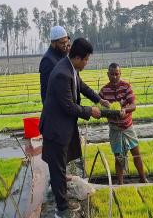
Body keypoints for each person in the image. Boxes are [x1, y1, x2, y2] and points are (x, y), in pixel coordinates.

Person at [39, 38, 110, 218]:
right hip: (55, 129)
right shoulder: (63, 73)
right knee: (57, 170)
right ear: (77, 57)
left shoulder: (70, 67)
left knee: (60, 167)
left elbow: (81, 86)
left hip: (61, 126)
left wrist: (98, 99)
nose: (87, 63)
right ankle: (62, 210)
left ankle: (61, 200)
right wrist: (90, 111)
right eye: (86, 59)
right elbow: (69, 106)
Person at [99, 63, 147, 185]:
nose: (114, 77)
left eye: (117, 74)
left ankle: (142, 178)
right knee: (118, 156)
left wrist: (125, 110)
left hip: (127, 126)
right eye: (112, 74)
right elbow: (100, 110)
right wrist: (109, 112)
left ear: (120, 74)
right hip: (115, 129)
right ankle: (120, 183)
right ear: (108, 74)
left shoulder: (126, 87)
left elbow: (133, 105)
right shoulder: (104, 91)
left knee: (136, 153)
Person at [39, 26, 69, 104]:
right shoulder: (48, 61)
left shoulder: (63, 55)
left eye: (66, 41)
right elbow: (47, 90)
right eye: (62, 43)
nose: (65, 45)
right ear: (53, 43)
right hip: (55, 109)